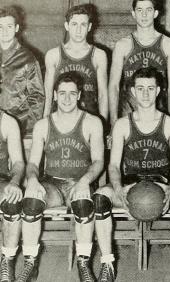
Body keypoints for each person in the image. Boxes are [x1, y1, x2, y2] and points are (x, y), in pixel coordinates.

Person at [95, 67, 170, 282]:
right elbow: (113, 165)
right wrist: (117, 188)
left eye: (150, 88)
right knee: (100, 197)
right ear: (132, 91)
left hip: (161, 184)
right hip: (130, 184)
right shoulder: (123, 124)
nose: (145, 94)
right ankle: (107, 263)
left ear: (158, 90)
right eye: (140, 88)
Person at [17, 72, 104, 282]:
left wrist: (85, 181)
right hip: (53, 184)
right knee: (30, 202)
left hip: (80, 183)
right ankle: (30, 262)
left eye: (72, 94)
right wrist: (33, 180)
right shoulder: (43, 125)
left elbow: (99, 161)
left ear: (79, 95)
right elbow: (33, 164)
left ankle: (83, 264)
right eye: (62, 93)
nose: (66, 98)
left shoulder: (92, 122)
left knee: (84, 204)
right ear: (54, 95)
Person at [108, 0, 170, 126]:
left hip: (159, 109)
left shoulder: (169, 44)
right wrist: (114, 121)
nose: (144, 15)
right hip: (128, 110)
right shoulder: (122, 45)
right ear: (134, 14)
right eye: (140, 10)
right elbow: (114, 86)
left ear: (156, 13)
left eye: (148, 10)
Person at [44, 4, 108, 119]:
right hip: (60, 120)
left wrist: (104, 125)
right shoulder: (53, 55)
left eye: (83, 25)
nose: (78, 30)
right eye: (74, 24)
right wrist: (45, 122)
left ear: (89, 27)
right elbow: (48, 95)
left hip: (89, 120)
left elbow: (103, 95)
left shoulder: (99, 55)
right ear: (67, 26)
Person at [0, 6, 45, 155]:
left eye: (9, 26)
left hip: (20, 128)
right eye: (0, 26)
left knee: (17, 173)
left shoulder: (28, 58)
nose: (4, 31)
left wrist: (29, 133)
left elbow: (37, 97)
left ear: (17, 28)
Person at [0, 112, 25, 282]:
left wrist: (15, 182)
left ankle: (7, 262)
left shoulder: (7, 121)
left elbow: (18, 162)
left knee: (12, 200)